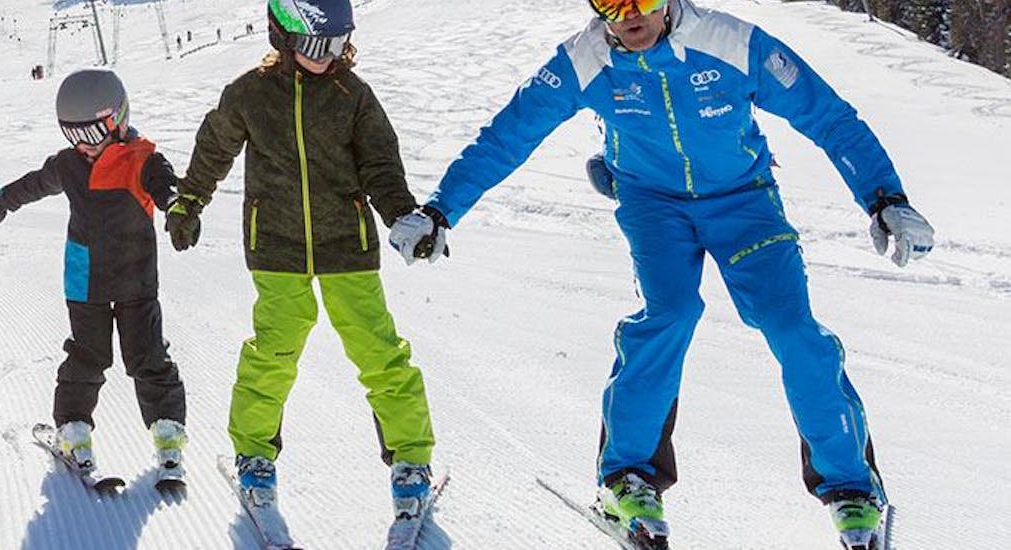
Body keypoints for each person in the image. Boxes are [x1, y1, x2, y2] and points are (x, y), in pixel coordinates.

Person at [391, 1, 933, 547]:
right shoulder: (586, 60)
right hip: (653, 208)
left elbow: (828, 116)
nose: (630, 14)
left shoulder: (732, 43)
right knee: (669, 315)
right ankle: (626, 478)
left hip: (745, 203)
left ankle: (850, 487)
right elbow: (507, 137)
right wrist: (441, 211)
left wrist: (885, 197)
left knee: (790, 324)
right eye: (611, 1)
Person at [170, 0, 439, 543]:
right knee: (273, 352)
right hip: (276, 244)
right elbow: (214, 148)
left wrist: (402, 216)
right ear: (284, 35)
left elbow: (381, 164)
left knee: (378, 349)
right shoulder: (249, 93)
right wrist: (188, 201)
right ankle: (254, 456)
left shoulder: (353, 95)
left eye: (339, 44)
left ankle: (411, 461)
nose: (328, 56)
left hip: (348, 243)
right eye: (318, 44)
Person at [0, 68, 189, 478]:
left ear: (118, 120)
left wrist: (178, 209)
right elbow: (37, 183)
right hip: (84, 280)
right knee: (87, 357)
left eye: (91, 135)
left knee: (148, 356)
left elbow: (168, 188)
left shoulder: (143, 159)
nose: (84, 147)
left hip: (135, 281)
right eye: (73, 137)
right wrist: (2, 200)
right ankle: (74, 430)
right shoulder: (69, 164)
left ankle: (168, 434)